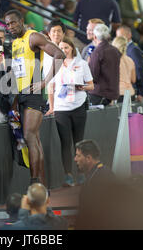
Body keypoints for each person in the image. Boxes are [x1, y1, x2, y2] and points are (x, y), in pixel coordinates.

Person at [5, 9, 65, 185]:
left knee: (30, 136)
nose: (10, 27)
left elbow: (59, 55)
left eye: (13, 22)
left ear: (21, 21)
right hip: (20, 95)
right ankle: (41, 185)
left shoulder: (33, 37)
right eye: (7, 24)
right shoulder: (15, 43)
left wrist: (45, 82)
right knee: (34, 138)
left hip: (34, 94)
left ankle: (34, 183)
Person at [45, 38, 93, 186]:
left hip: (78, 106)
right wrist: (52, 107)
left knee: (79, 142)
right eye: (61, 48)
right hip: (61, 108)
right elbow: (50, 87)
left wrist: (82, 87)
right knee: (65, 142)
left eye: (66, 47)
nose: (64, 50)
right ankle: (68, 175)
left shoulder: (82, 64)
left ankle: (81, 174)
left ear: (72, 48)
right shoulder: (55, 65)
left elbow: (91, 85)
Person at [74, 139, 118, 229]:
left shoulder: (99, 179)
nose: (75, 159)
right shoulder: (101, 174)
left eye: (78, 156)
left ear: (88, 158)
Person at [87, 23, 121, 106]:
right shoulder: (116, 51)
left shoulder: (97, 52)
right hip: (113, 93)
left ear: (95, 37)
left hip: (99, 94)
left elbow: (92, 77)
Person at [116, 25, 143, 101]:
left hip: (131, 90)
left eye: (121, 36)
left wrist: (141, 93)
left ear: (129, 35)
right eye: (118, 37)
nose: (120, 39)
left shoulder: (133, 50)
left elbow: (139, 71)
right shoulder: (127, 49)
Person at [112, 36, 136, 102]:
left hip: (119, 93)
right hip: (131, 93)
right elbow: (133, 80)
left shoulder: (112, 59)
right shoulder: (130, 60)